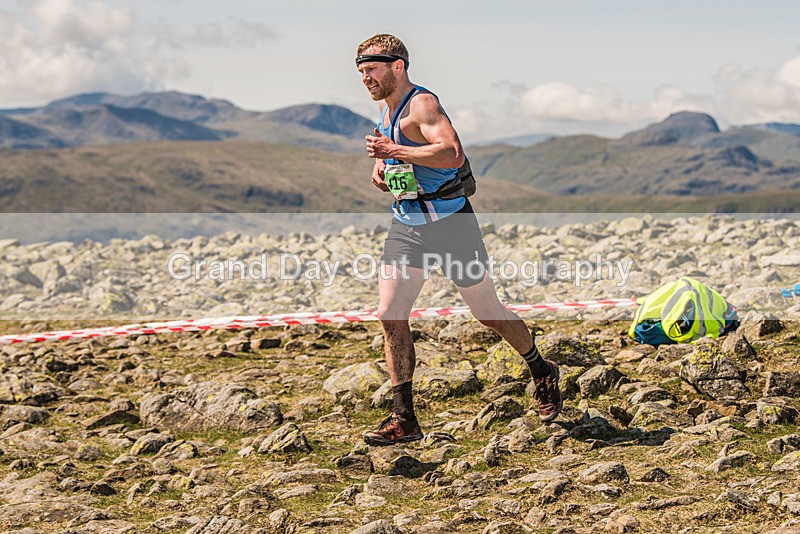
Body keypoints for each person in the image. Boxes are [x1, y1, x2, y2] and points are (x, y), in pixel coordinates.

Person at [356, 33, 561, 446]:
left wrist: (395, 148)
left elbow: (451, 154)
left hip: (452, 224)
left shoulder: (422, 104)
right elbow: (401, 158)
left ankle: (541, 368)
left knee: (487, 312)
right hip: (408, 225)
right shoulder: (386, 107)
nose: (365, 78)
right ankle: (405, 418)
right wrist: (384, 168)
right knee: (389, 313)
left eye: (372, 69)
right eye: (361, 71)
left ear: (398, 66)